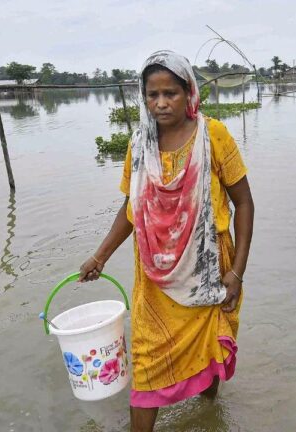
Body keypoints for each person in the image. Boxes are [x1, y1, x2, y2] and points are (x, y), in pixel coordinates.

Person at [79, 50, 254, 432]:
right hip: (155, 281)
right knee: (146, 363)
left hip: (209, 272)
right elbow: (132, 208)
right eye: (152, 94)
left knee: (208, 352)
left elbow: (244, 203)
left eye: (170, 93)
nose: (160, 103)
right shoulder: (139, 144)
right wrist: (100, 256)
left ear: (188, 92)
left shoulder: (214, 136)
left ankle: (210, 420)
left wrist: (237, 273)